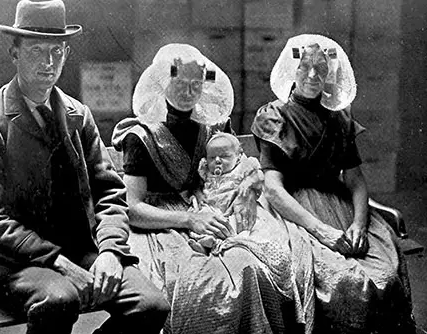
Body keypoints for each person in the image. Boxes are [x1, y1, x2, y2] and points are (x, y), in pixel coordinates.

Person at [0, 0, 169, 334]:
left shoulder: (77, 116)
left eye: (57, 51)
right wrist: (57, 261)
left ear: (66, 54)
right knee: (60, 299)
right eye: (36, 50)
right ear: (14, 53)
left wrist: (112, 251)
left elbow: (110, 193)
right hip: (14, 263)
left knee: (151, 305)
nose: (48, 62)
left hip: (80, 251)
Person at [112, 43, 310, 334]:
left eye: (196, 84)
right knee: (198, 282)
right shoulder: (141, 136)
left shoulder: (212, 126)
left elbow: (244, 165)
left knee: (252, 266)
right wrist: (189, 219)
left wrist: (245, 185)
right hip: (162, 223)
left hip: (212, 208)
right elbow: (132, 207)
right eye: (179, 83)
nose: (188, 92)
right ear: (163, 82)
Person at [251, 33, 416, 334]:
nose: (313, 75)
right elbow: (273, 188)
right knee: (341, 279)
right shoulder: (274, 115)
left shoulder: (339, 119)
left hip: (336, 202)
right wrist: (321, 230)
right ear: (293, 70)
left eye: (321, 68)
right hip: (293, 209)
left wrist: (359, 224)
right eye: (305, 67)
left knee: (386, 270)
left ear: (329, 74)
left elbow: (355, 180)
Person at [187, 131, 263, 254]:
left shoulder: (243, 167)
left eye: (225, 156)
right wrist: (198, 194)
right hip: (213, 207)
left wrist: (248, 182)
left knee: (238, 221)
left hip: (233, 207)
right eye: (212, 157)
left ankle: (231, 242)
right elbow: (197, 185)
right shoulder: (205, 170)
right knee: (203, 216)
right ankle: (207, 243)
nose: (217, 160)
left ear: (238, 156)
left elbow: (259, 176)